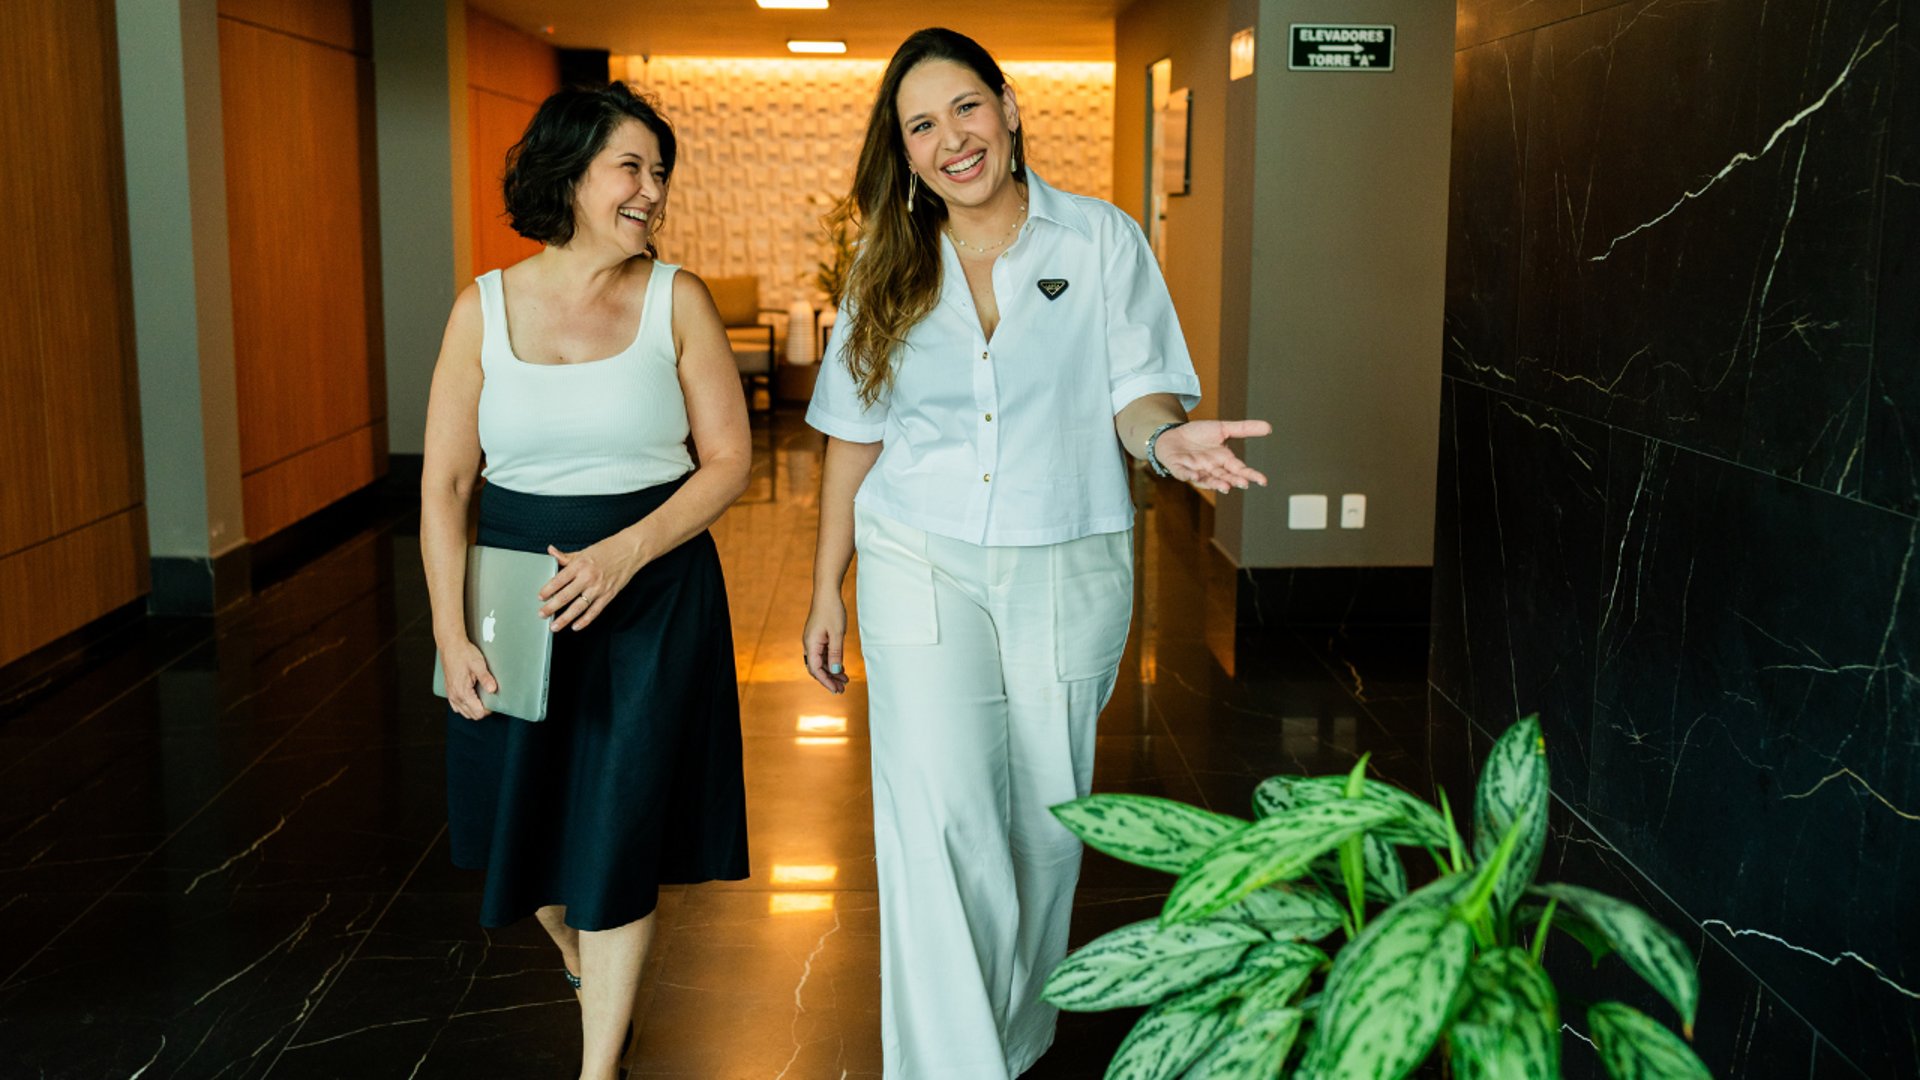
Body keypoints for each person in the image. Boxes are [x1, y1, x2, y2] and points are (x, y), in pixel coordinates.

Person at [800, 27, 1271, 1079]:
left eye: (966, 108)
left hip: (1066, 554)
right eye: (922, 126)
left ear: (1009, 109)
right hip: (919, 554)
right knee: (939, 819)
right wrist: (827, 584)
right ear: (905, 150)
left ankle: (1011, 1040)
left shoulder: (1099, 240)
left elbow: (1137, 392)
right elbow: (855, 435)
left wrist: (1165, 440)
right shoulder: (884, 261)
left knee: (1045, 823)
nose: (952, 140)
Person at [420, 82, 750, 1080]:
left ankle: (597, 1066)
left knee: (618, 833)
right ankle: (578, 957)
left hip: (652, 598)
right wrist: (449, 633)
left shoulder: (677, 300)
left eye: (660, 171)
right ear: (568, 174)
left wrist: (624, 553)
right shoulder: (481, 309)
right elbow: (446, 485)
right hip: (516, 602)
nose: (653, 190)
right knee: (528, 852)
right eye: (630, 167)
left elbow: (727, 461)